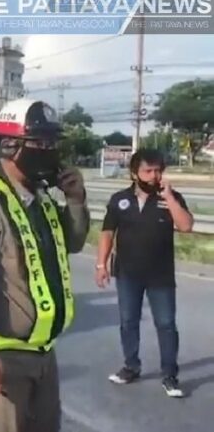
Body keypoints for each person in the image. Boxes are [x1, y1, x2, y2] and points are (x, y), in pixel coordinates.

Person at [0, 99, 90, 432]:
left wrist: (76, 201)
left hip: (40, 356)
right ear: (10, 146)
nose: (50, 151)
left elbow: (73, 243)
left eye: (53, 143)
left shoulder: (38, 197)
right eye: (40, 143)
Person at [95, 148, 193, 398]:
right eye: (148, 171)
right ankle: (131, 366)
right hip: (127, 273)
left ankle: (170, 375)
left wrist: (169, 197)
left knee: (166, 324)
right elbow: (107, 232)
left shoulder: (171, 197)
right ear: (134, 172)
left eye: (158, 170)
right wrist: (101, 264)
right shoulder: (119, 199)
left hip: (160, 275)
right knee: (128, 321)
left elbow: (186, 226)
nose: (153, 175)